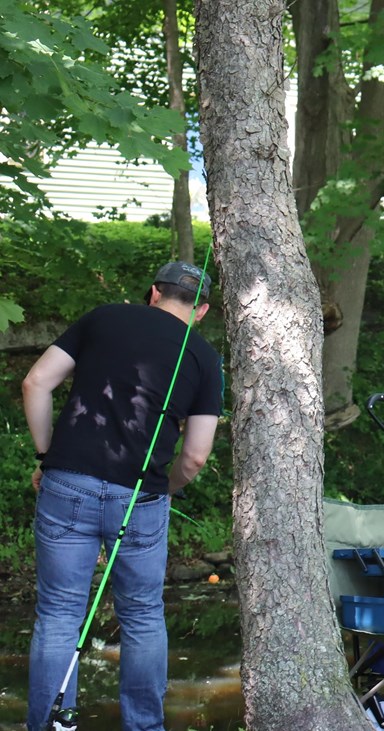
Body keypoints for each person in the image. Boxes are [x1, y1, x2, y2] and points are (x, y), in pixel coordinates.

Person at [22, 261, 223, 731]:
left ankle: (48, 725)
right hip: (142, 498)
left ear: (154, 293)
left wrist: (45, 455)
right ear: (202, 311)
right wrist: (161, 491)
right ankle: (143, 726)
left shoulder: (105, 317)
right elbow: (195, 456)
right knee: (143, 616)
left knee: (59, 611)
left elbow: (36, 382)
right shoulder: (204, 356)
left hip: (67, 482)